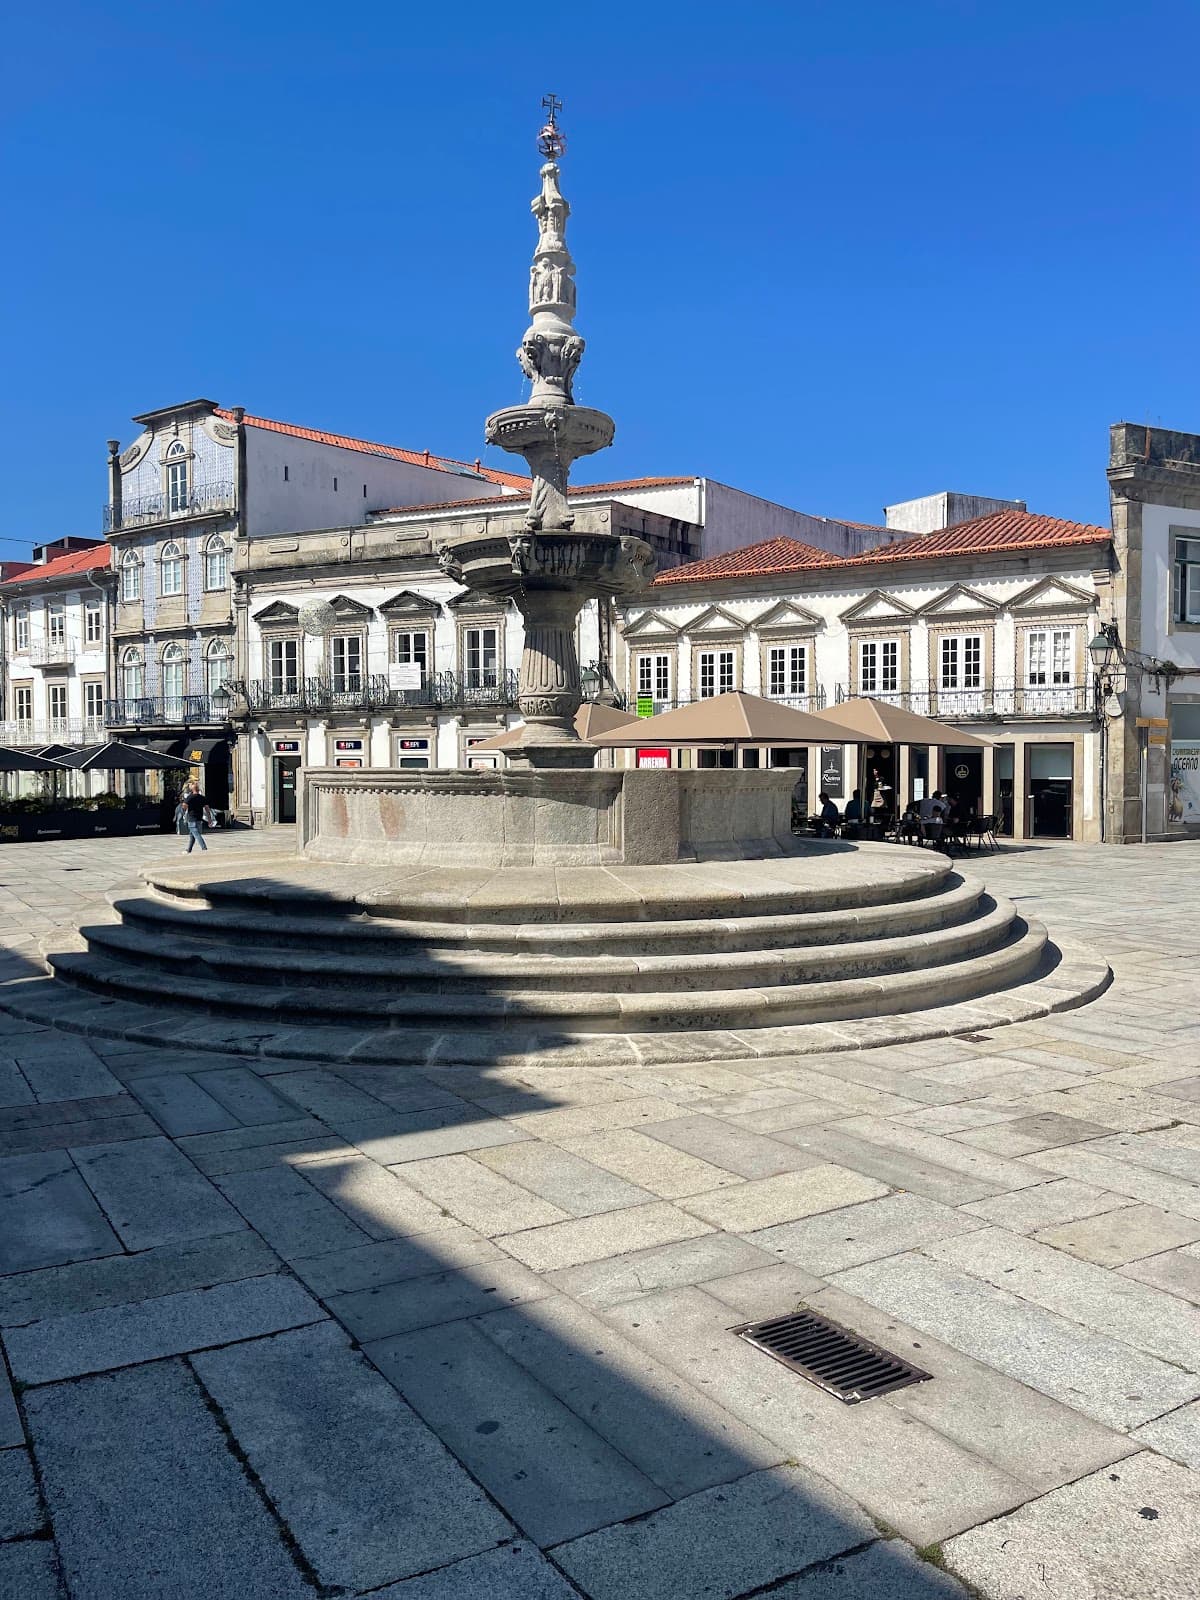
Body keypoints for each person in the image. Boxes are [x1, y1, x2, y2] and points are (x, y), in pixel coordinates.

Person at [181, 779, 215, 854]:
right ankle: (188, 850)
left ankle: (204, 847)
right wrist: (209, 819)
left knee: (196, 834)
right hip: (199, 818)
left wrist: (185, 808)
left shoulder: (190, 797)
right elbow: (207, 809)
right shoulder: (202, 798)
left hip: (192, 818)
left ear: (191, 789)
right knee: (192, 835)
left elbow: (184, 806)